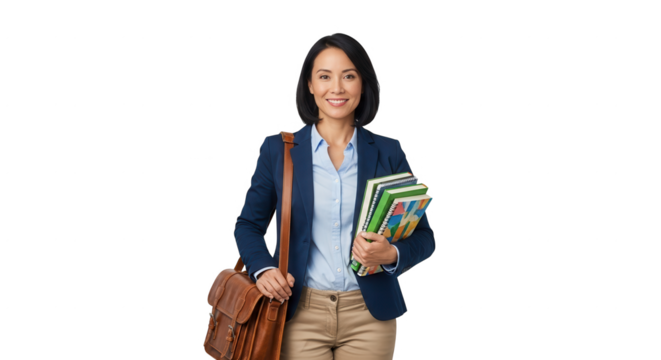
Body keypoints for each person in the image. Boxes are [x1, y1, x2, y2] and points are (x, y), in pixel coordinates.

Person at [234, 32, 435, 360]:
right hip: (299, 311)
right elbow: (248, 225)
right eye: (324, 76)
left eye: (349, 76)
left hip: (370, 316)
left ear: (363, 84)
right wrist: (263, 269)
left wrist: (391, 255)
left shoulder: (388, 152)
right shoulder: (279, 150)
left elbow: (424, 237)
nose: (337, 88)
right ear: (310, 86)